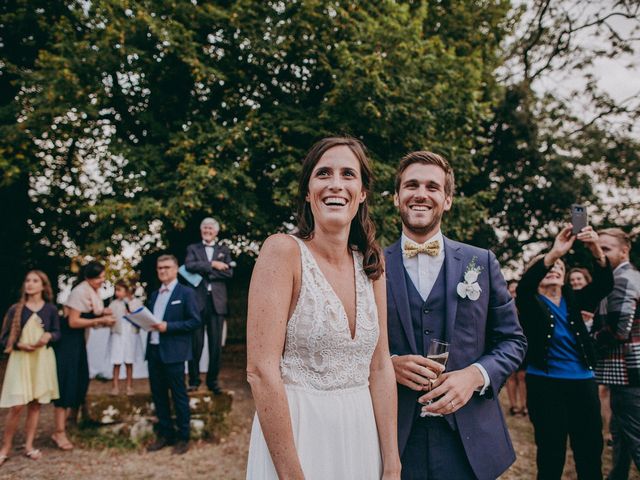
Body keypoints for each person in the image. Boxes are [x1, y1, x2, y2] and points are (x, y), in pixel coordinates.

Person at [246, 137, 401, 479]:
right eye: (323, 174)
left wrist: (392, 461)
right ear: (307, 191)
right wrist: (291, 474)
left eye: (348, 174)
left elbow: (379, 366)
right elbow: (261, 370)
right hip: (301, 436)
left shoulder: (373, 267)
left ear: (362, 193)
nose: (335, 184)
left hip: (362, 437)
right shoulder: (282, 252)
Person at [385, 150, 526, 480]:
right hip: (394, 438)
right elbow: (349, 345)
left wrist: (475, 375)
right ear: (396, 197)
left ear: (447, 200)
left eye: (433, 187)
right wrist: (387, 364)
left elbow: (513, 341)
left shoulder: (482, 261)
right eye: (411, 185)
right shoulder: (369, 264)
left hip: (468, 440)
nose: (421, 194)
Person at [516, 226, 613, 480]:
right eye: (549, 268)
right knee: (551, 454)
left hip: (583, 383)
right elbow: (525, 286)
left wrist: (595, 249)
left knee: (590, 452)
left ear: (565, 276)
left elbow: (604, 284)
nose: (554, 270)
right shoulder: (529, 301)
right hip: (545, 385)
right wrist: (554, 252)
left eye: (559, 267)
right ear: (539, 275)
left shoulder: (575, 300)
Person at [52, 261, 115, 451]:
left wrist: (103, 313)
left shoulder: (93, 291)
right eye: (99, 277)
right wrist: (101, 320)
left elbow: (91, 313)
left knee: (81, 380)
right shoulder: (79, 292)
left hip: (80, 341)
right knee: (66, 382)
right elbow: (73, 321)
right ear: (89, 278)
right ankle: (59, 431)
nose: (102, 280)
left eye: (103, 276)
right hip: (68, 341)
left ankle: (73, 420)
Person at [593, 228, 640, 479]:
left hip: (629, 374)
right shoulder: (630, 277)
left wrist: (590, 337)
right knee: (621, 435)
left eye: (607, 248)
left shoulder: (622, 279)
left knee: (635, 438)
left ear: (624, 251)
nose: (601, 253)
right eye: (599, 248)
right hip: (625, 375)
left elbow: (619, 331)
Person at [0, 271, 60, 465]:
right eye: (27, 280)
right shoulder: (15, 310)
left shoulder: (50, 309)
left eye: (35, 281)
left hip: (41, 359)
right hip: (21, 359)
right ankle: (5, 447)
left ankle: (28, 445)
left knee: (35, 404)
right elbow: (4, 338)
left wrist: (48, 336)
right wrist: (19, 345)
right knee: (17, 405)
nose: (30, 284)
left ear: (43, 286)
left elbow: (58, 332)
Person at [145, 254, 201, 455]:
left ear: (176, 269)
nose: (162, 271)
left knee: (179, 396)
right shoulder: (154, 295)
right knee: (158, 396)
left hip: (174, 353)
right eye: (159, 268)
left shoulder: (186, 293)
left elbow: (195, 321)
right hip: (153, 351)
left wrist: (168, 326)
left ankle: (183, 438)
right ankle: (165, 435)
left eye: (167, 267)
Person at [184, 217, 234, 394]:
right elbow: (188, 266)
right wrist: (212, 265)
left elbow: (229, 273)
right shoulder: (192, 248)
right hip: (197, 303)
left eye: (210, 228)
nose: (207, 230)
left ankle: (213, 381)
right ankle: (194, 381)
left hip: (217, 304)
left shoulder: (224, 250)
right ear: (201, 230)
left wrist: (206, 272)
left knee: (215, 346)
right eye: (204, 228)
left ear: (216, 232)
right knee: (195, 345)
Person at [107, 280, 142, 396]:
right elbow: (108, 316)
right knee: (116, 362)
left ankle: (129, 386)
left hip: (131, 335)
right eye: (116, 290)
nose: (117, 293)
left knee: (129, 361)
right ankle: (115, 386)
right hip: (118, 334)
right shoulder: (114, 303)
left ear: (127, 291)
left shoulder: (136, 302)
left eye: (119, 290)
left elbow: (141, 317)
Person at [505, 280, 528, 417]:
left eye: (515, 291)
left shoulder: (525, 305)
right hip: (508, 344)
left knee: (522, 376)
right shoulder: (504, 306)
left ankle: (523, 405)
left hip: (524, 345)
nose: (513, 293)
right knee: (511, 377)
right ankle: (513, 405)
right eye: (511, 290)